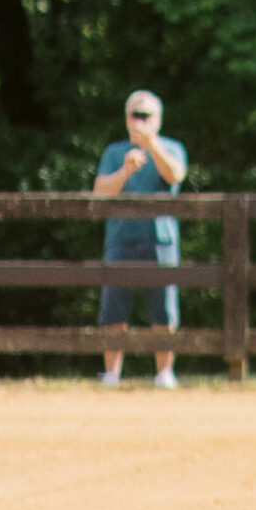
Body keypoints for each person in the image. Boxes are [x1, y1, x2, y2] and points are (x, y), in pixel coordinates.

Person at [94, 89, 188, 388]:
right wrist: (125, 169)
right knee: (114, 308)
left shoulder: (172, 147)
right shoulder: (114, 152)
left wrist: (152, 147)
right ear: (126, 119)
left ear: (158, 119)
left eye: (146, 115)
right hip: (121, 237)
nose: (140, 120)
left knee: (163, 308)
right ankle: (111, 373)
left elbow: (175, 175)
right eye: (136, 114)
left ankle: (164, 373)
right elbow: (100, 191)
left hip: (161, 239)